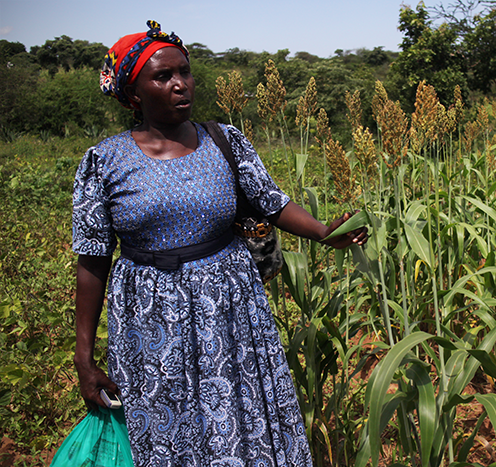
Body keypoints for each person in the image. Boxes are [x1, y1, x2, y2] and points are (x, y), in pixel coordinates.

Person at [72, 20, 367, 467]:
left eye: (184, 72)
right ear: (133, 95)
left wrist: (325, 233)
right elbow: (92, 260)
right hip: (151, 321)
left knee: (243, 414)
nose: (179, 84)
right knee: (166, 426)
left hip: (228, 305)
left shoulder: (224, 140)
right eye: (162, 76)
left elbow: (272, 203)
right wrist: (85, 356)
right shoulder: (103, 162)